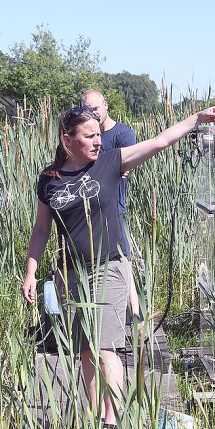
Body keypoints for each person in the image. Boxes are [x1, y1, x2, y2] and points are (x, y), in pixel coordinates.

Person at [22, 103, 215, 426]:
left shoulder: (110, 163)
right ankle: (93, 419)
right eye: (89, 137)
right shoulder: (50, 180)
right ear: (67, 140)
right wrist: (31, 271)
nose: (98, 141)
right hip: (71, 275)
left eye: (98, 135)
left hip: (109, 268)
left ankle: (111, 422)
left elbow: (159, 142)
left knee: (105, 348)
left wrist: (196, 120)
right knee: (86, 351)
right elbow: (42, 229)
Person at [81, 89, 140, 318]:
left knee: (122, 256)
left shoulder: (123, 134)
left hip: (114, 207)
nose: (92, 113)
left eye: (95, 108)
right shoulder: (84, 136)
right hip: (87, 210)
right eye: (87, 109)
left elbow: (125, 165)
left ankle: (134, 311)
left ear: (106, 106)